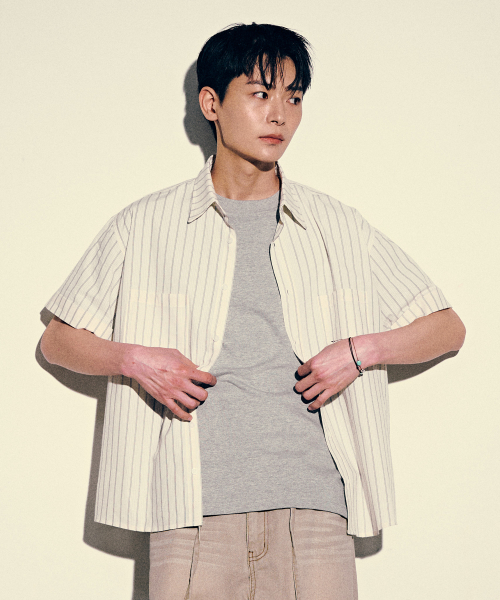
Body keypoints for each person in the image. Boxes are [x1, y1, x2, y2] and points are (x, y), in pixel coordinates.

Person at [41, 22, 465, 600]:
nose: (280, 115)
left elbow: (446, 327)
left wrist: (359, 352)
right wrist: (135, 360)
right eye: (261, 93)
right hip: (189, 510)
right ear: (211, 104)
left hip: (314, 509)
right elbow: (58, 340)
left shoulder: (336, 226)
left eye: (294, 97)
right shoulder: (145, 226)